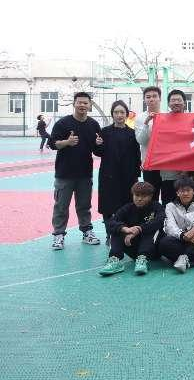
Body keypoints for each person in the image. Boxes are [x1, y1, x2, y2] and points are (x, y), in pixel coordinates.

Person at [48, 91, 102, 250]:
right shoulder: (63, 123)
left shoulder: (93, 125)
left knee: (84, 206)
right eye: (79, 102)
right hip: (64, 174)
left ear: (90, 105)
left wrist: (99, 144)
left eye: (85, 103)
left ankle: (87, 232)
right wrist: (67, 142)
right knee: (61, 206)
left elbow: (97, 151)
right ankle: (58, 235)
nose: (82, 105)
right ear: (74, 103)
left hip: (85, 173)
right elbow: (52, 144)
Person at [94, 100, 142, 242]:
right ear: (112, 114)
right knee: (108, 206)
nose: (119, 115)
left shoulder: (132, 133)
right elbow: (99, 152)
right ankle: (110, 234)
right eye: (116, 112)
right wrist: (97, 145)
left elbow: (137, 155)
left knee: (127, 204)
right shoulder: (105, 132)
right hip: (108, 175)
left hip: (128, 176)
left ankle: (125, 232)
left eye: (122, 112)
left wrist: (136, 175)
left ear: (126, 114)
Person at [99, 181, 164, 276]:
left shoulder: (156, 207)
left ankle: (143, 259)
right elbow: (110, 222)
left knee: (154, 227)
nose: (139, 199)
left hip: (153, 250)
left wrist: (139, 229)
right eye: (137, 195)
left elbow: (160, 221)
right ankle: (114, 259)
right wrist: (125, 229)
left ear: (150, 196)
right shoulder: (128, 208)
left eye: (144, 196)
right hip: (133, 247)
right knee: (117, 229)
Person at [158, 175, 194, 272]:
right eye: (182, 191)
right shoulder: (170, 206)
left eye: (188, 190)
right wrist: (183, 236)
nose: (185, 193)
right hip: (181, 240)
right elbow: (170, 227)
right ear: (177, 193)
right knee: (163, 244)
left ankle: (184, 258)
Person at [159, 89, 187, 205]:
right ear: (168, 103)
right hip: (168, 171)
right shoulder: (162, 121)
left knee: (187, 203)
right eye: (173, 100)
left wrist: (188, 169)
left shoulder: (193, 120)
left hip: (187, 171)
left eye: (179, 100)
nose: (176, 102)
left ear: (184, 102)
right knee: (169, 203)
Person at [134, 86, 162, 190]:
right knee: (151, 195)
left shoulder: (167, 115)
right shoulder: (140, 118)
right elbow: (141, 141)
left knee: (168, 195)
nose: (151, 99)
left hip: (166, 162)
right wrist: (146, 122)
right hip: (149, 163)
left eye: (154, 96)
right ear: (144, 99)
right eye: (148, 97)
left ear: (160, 98)